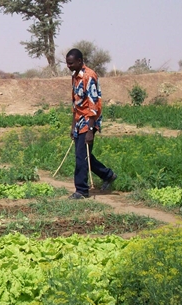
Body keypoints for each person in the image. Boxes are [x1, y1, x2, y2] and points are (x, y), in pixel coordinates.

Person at [66, 48, 117, 199]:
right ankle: (107, 175)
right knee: (83, 154)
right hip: (79, 120)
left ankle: (81, 190)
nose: (69, 66)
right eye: (67, 64)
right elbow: (76, 103)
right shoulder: (75, 76)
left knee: (81, 156)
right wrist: (73, 125)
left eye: (71, 63)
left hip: (89, 120)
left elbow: (94, 103)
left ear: (80, 61)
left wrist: (90, 129)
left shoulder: (89, 76)